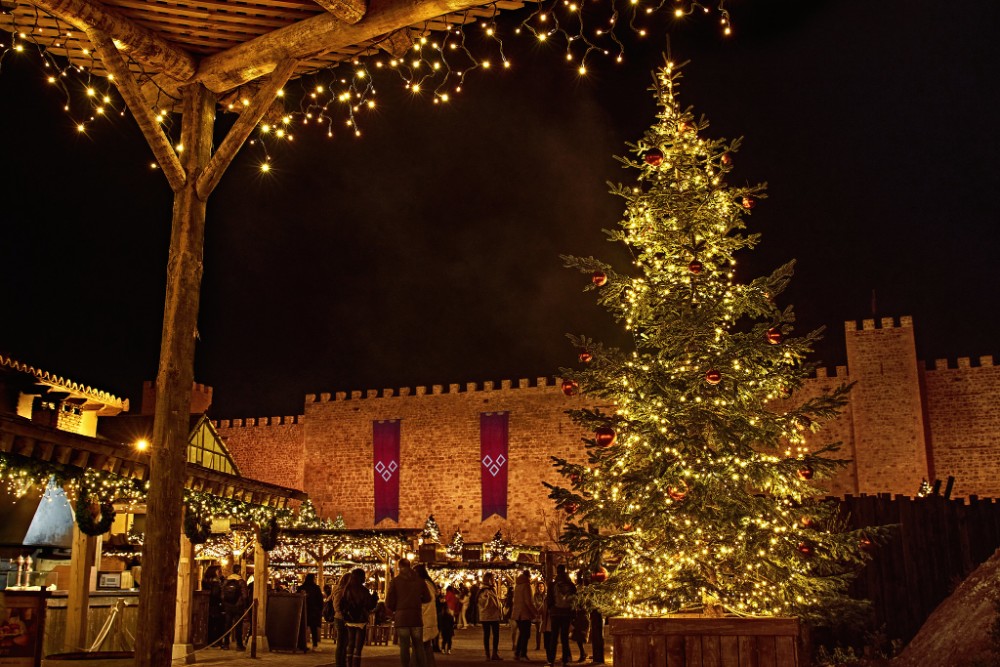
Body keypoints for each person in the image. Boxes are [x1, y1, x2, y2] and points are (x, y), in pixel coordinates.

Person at [386, 558, 431, 667]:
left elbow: (389, 601)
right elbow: (427, 598)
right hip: (416, 617)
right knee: (418, 645)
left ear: (400, 567)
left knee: (404, 646)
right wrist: (417, 600)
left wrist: (395, 607)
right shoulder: (420, 581)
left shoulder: (396, 581)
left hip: (402, 617)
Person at [341, 567, 378, 667]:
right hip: (361, 620)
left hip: (349, 619)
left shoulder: (347, 589)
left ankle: (349, 664)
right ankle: (356, 664)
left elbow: (342, 604)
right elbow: (370, 605)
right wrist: (374, 598)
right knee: (358, 646)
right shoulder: (364, 590)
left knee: (350, 643)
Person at [545, 565, 576, 666]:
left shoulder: (553, 585)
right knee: (564, 638)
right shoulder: (571, 585)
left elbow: (549, 599)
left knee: (554, 637)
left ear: (557, 572)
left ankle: (551, 660)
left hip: (555, 613)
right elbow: (574, 600)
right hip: (566, 613)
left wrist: (551, 609)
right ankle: (565, 660)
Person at [414, 565, 439, 667]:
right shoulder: (429, 584)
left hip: (424, 618)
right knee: (426, 646)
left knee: (421, 645)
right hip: (428, 618)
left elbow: (423, 602)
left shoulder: (424, 585)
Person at [511, 570, 538, 661]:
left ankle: (518, 653)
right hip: (524, 614)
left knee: (522, 634)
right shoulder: (526, 585)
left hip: (517, 613)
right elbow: (528, 601)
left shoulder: (517, 586)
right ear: (528, 576)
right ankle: (522, 653)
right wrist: (535, 612)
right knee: (526, 634)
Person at [221, 564, 249, 650]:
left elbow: (222, 595)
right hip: (238, 607)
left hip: (228, 606)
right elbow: (245, 595)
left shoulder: (226, 580)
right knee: (238, 626)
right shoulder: (241, 581)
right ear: (239, 571)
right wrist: (244, 605)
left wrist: (225, 604)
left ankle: (226, 644)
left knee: (227, 625)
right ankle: (239, 645)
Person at [477, 572, 504, 661]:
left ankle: (494, 653)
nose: (493, 581)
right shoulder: (484, 591)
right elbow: (484, 603)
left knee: (496, 635)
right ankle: (488, 655)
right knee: (487, 635)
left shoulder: (492, 589)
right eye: (492, 579)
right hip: (487, 616)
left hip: (494, 616)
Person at [201, 565, 225, 648]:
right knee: (214, 624)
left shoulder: (216, 581)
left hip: (214, 605)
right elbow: (215, 594)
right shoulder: (214, 582)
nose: (220, 572)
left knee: (215, 624)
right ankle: (213, 641)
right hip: (214, 605)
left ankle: (214, 641)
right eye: (219, 571)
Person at [300, 573, 325, 650]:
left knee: (302, 628)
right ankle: (314, 645)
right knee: (313, 628)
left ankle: (302, 644)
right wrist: (320, 609)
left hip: (303, 611)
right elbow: (320, 600)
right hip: (313, 611)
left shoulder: (301, 587)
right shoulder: (316, 588)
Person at [334, 571, 352, 667]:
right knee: (341, 643)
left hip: (343, 618)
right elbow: (336, 606)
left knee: (344, 643)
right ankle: (339, 663)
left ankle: (342, 663)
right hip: (341, 619)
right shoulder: (341, 591)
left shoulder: (344, 590)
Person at [532, 582, 546, 651]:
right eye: (540, 586)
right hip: (538, 615)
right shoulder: (536, 595)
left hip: (545, 615)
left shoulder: (545, 595)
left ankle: (545, 645)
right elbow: (537, 603)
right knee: (538, 631)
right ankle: (538, 646)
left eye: (542, 586)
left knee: (546, 631)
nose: (541, 588)